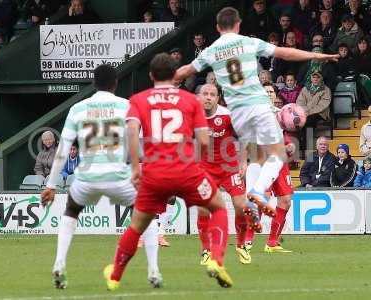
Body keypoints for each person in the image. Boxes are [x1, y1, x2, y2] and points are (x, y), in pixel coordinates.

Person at [174, 6, 339, 229]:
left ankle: (252, 204)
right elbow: (285, 52)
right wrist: (317, 55)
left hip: (237, 112)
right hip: (258, 105)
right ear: (238, 24)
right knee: (278, 154)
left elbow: (185, 71)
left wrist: (166, 82)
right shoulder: (248, 42)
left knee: (257, 157)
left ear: (217, 27)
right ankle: (258, 194)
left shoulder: (210, 50)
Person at [104, 53, 233, 291]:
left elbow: (131, 133)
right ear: (175, 75)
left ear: (151, 75)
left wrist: (135, 168)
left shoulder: (138, 99)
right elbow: (204, 141)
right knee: (218, 207)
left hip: (154, 174)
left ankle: (115, 275)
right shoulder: (190, 100)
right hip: (187, 172)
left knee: (137, 225)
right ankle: (216, 259)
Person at [41, 64, 162, 289]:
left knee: (71, 210)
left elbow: (62, 150)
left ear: (94, 83)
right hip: (119, 177)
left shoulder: (78, 108)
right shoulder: (128, 106)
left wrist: (51, 184)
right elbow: (143, 147)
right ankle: (153, 270)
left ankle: (59, 262)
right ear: (116, 83)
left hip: (87, 179)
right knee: (149, 214)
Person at [196, 83, 250, 265]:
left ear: (218, 98)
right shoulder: (191, 115)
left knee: (241, 206)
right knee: (203, 208)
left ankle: (241, 245)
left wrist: (243, 161)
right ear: (199, 96)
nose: (209, 97)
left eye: (212, 94)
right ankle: (206, 250)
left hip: (229, 167)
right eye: (205, 93)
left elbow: (244, 136)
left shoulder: (227, 115)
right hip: (204, 168)